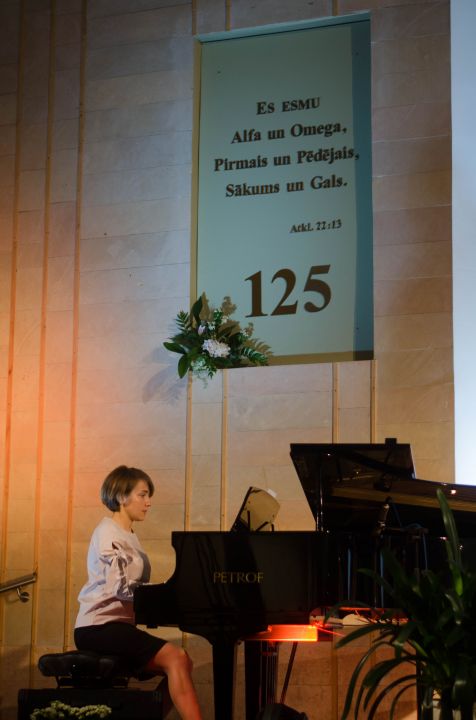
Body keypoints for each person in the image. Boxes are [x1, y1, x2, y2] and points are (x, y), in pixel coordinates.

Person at [74, 465, 203, 720]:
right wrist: (165, 597)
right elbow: (120, 588)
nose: (148, 502)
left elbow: (132, 588)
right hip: (98, 627)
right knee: (176, 658)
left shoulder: (128, 535)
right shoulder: (108, 532)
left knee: (183, 662)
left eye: (148, 496)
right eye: (142, 495)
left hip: (118, 626)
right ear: (121, 496)